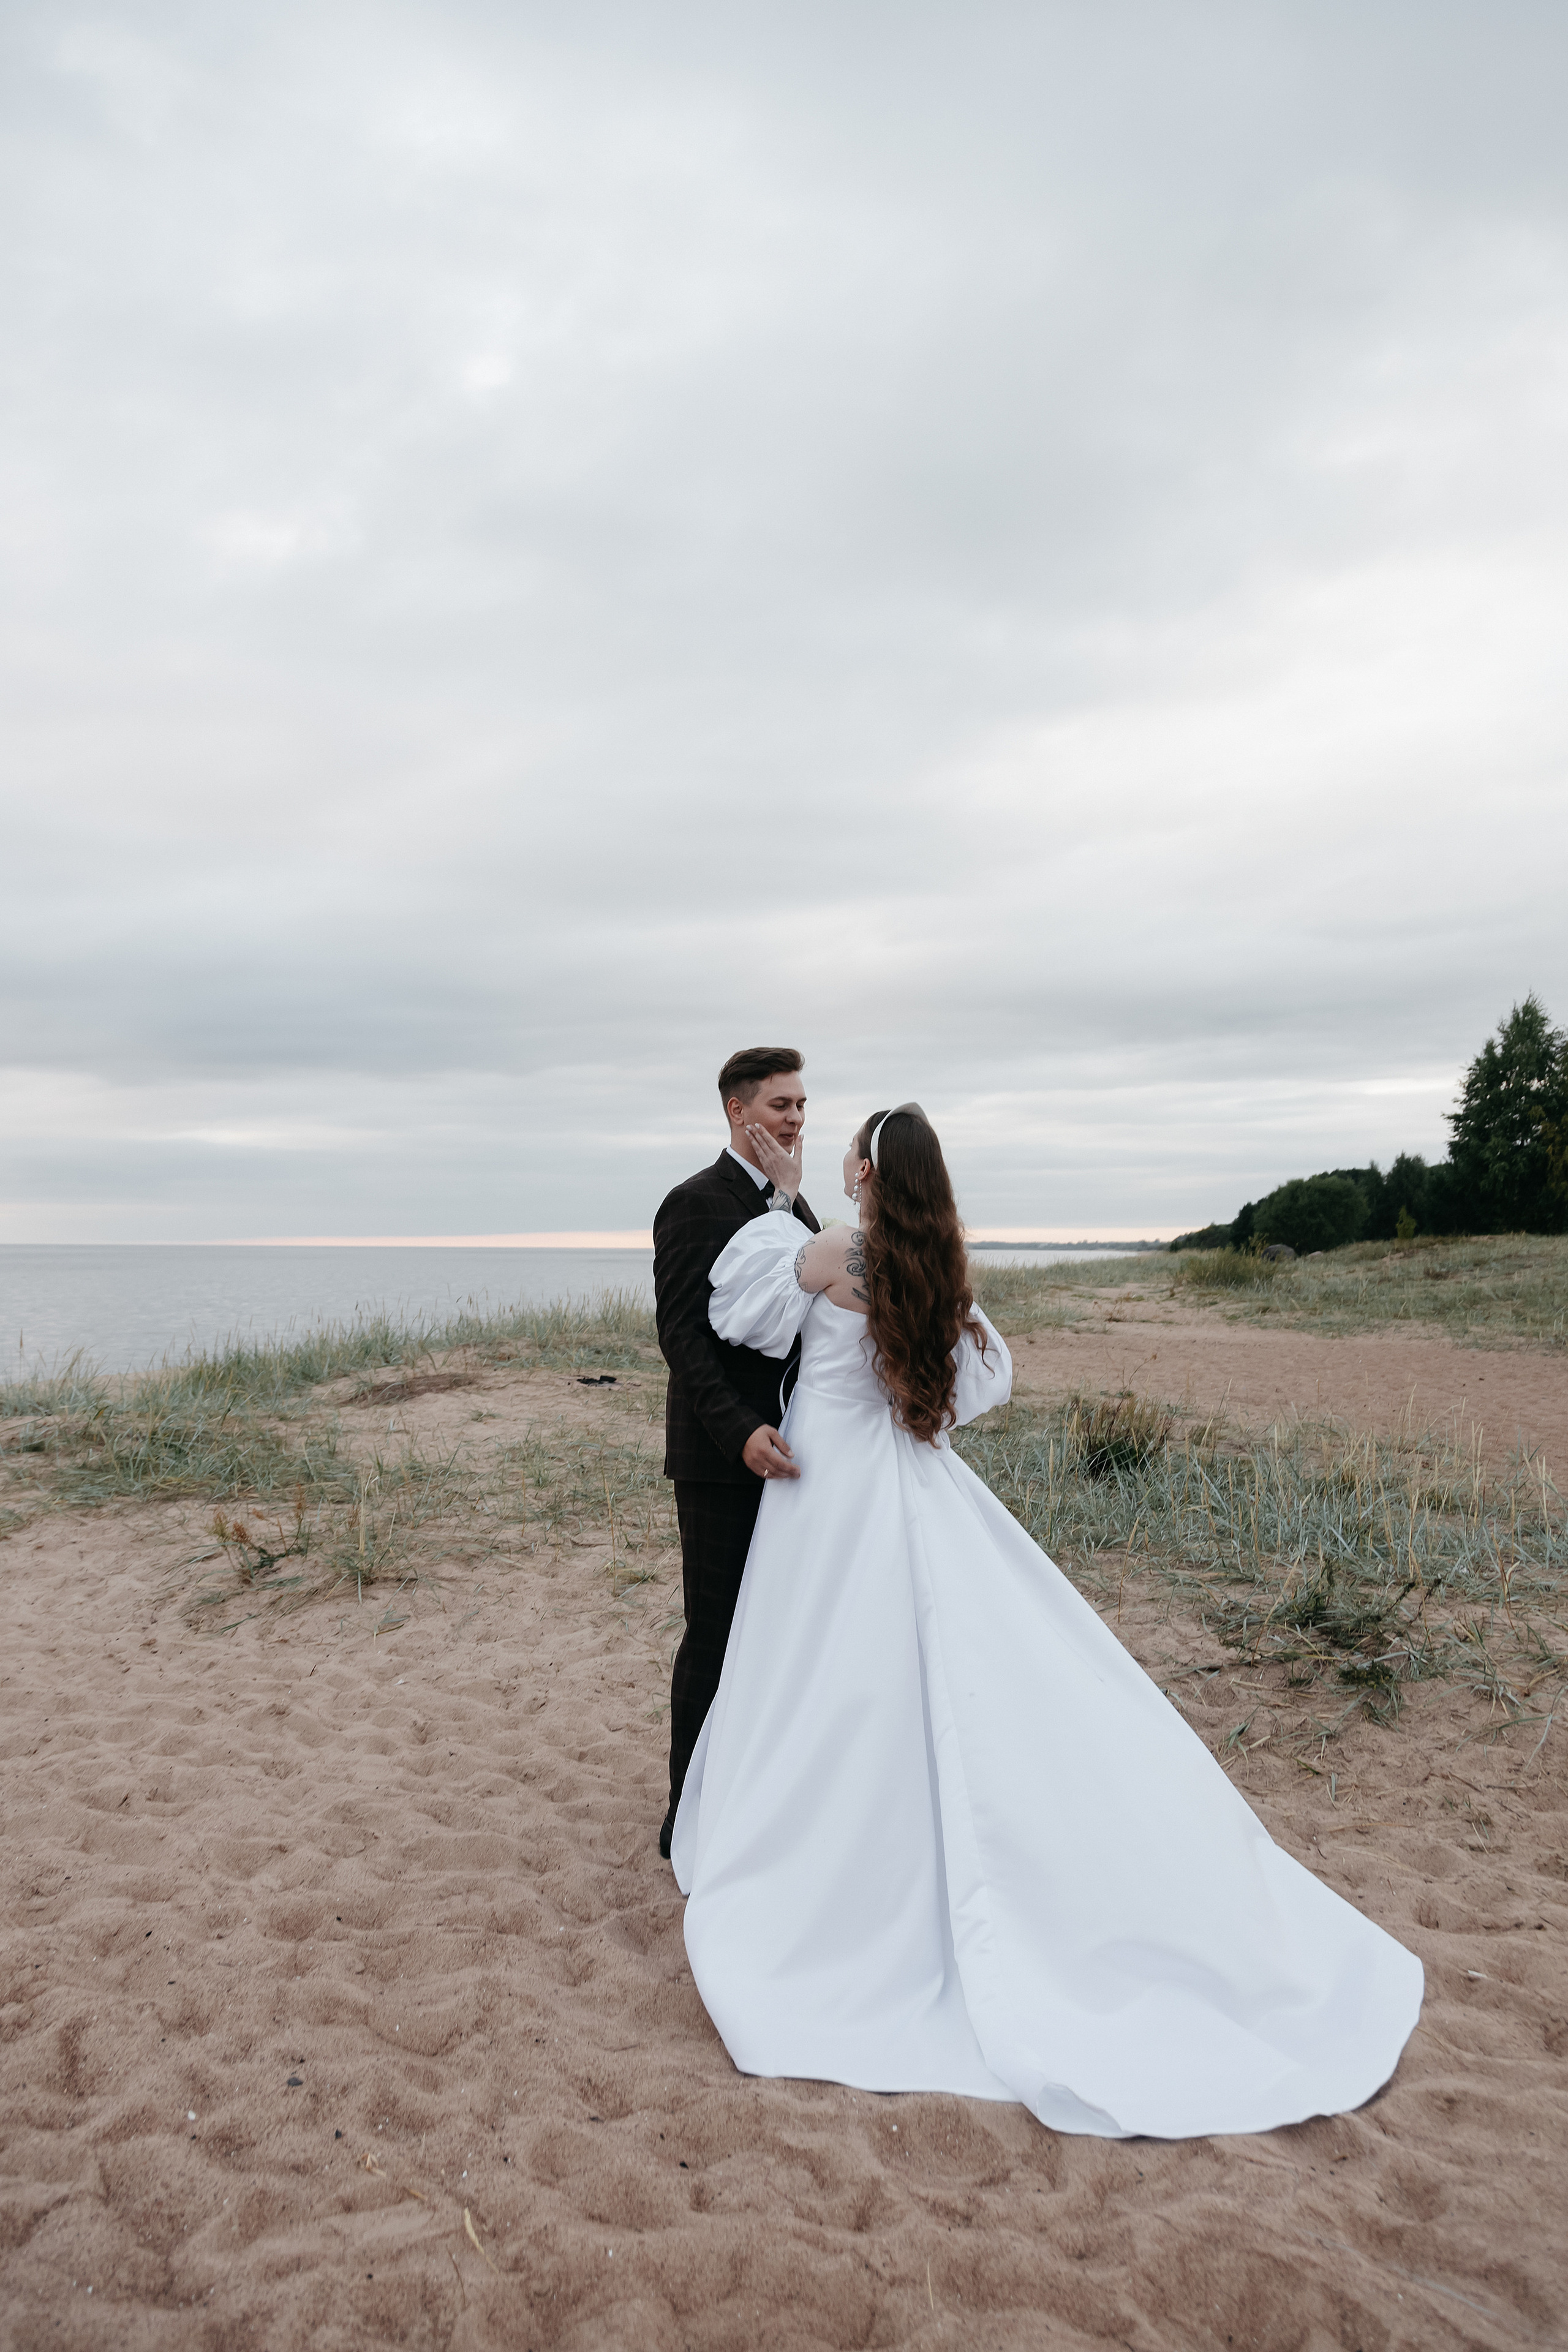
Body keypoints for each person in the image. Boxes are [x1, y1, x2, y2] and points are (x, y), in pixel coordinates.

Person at [669, 1102, 1423, 2139]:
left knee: (815, 1668)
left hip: (830, 1482)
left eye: (849, 1148)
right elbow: (979, 1379)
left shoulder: (836, 1245)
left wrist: (785, 1187)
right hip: (906, 1472)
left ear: (865, 1172)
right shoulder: (932, 1266)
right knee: (927, 1658)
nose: (834, 1152)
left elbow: (737, 1309)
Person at [652, 1048, 821, 1861]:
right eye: (780, 1105)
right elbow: (681, 1337)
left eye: (800, 1105)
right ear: (737, 1112)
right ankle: (685, 1816)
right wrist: (738, 1430)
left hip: (793, 1458)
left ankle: (749, 1801)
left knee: (777, 1633)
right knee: (713, 1636)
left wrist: (789, 1202)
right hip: (720, 1461)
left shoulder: (797, 1206)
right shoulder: (691, 1204)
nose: (794, 1120)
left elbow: (818, 1308)